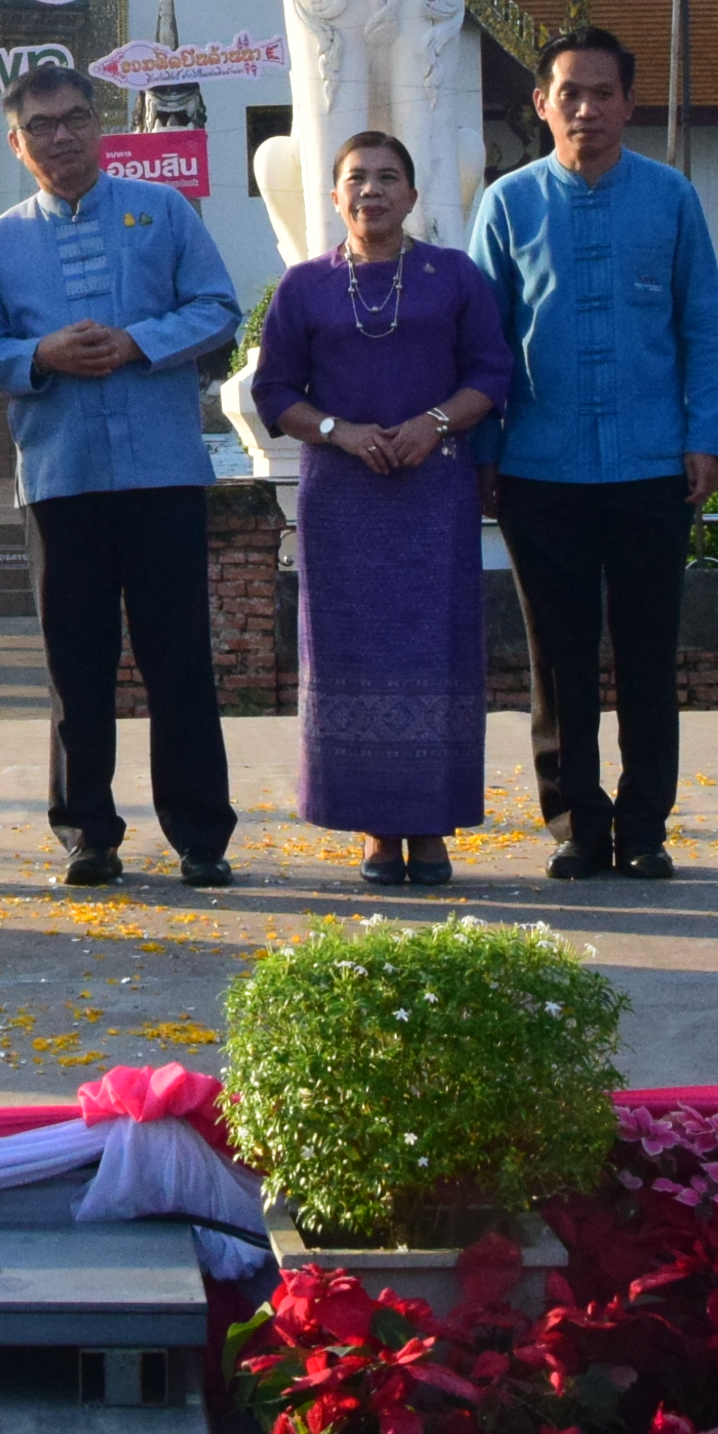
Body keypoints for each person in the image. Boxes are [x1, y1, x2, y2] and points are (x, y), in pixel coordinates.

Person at [0, 58, 246, 890]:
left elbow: (219, 308)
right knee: (75, 665)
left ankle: (201, 834)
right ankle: (88, 832)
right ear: (17, 145)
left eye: (76, 118)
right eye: (42, 127)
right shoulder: (2, 242)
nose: (63, 137)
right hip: (60, 477)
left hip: (162, 470)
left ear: (101, 123)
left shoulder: (162, 211)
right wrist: (41, 355)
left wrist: (137, 342)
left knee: (178, 658)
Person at [468, 26, 718, 881]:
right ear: (541, 104)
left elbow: (702, 325)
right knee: (560, 657)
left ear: (629, 103)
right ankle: (577, 824)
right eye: (568, 93)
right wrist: (487, 451)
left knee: (651, 654)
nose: (586, 109)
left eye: (604, 93)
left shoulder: (671, 197)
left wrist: (705, 436)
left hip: (653, 465)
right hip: (542, 469)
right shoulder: (509, 204)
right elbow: (486, 344)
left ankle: (646, 826)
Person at [255, 130, 516, 888]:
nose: (371, 190)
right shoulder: (303, 287)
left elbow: (492, 373)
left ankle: (432, 827)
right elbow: (276, 393)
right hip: (342, 499)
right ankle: (373, 828)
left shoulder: (454, 277)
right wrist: (343, 432)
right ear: (335, 196)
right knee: (351, 659)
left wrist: (432, 425)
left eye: (387, 177)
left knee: (436, 652)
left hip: (433, 494)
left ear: (411, 194)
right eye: (356, 178)